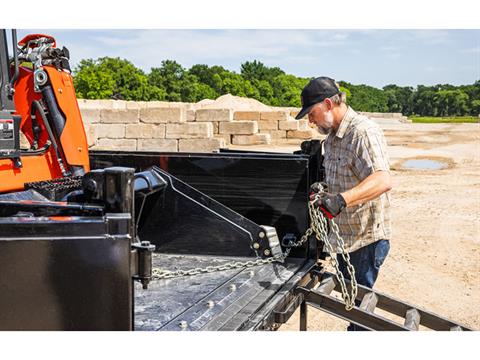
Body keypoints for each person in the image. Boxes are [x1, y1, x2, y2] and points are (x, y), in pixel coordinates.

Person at [295, 77, 393, 331]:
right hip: (345, 237)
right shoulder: (332, 139)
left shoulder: (362, 132)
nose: (310, 121)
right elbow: (338, 179)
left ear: (328, 104)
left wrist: (341, 200)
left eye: (312, 113)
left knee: (361, 316)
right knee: (353, 307)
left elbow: (382, 179)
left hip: (365, 239)